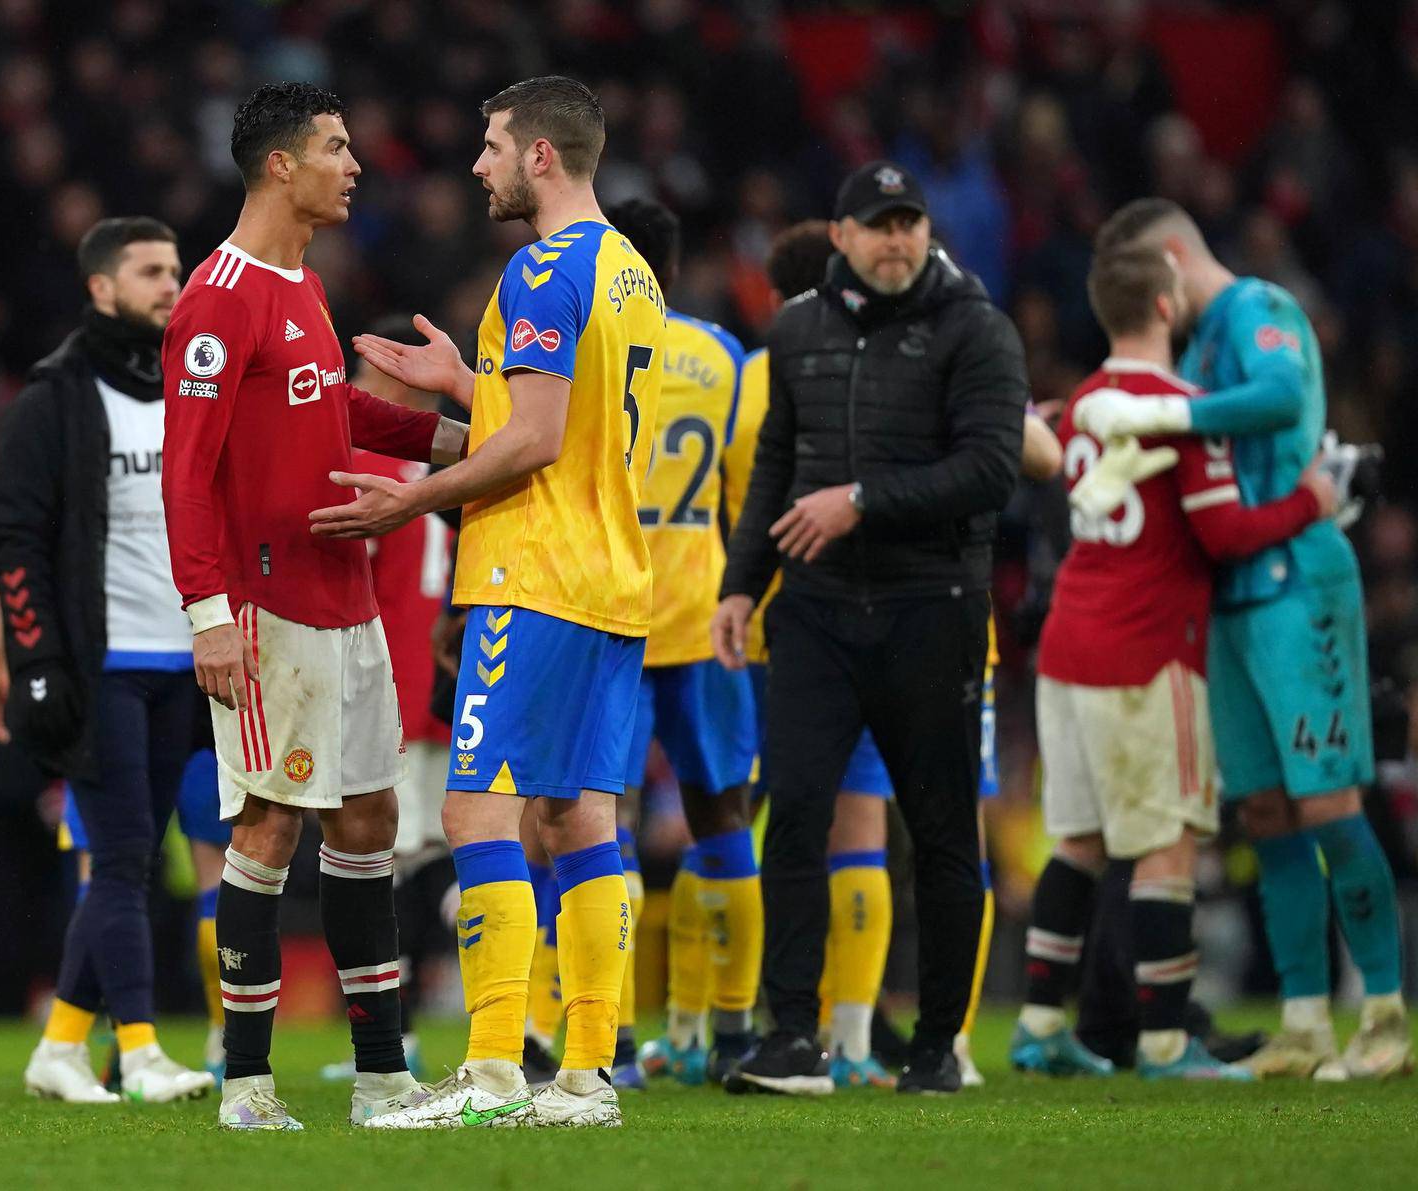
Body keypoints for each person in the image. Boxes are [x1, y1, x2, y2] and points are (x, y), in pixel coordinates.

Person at [310, 75, 666, 1128]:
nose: (479, 165)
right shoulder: (631, 271)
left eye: (492, 146)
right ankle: (589, 1075)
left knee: (475, 809)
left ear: (541, 157)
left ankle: (495, 1066)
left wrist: (409, 500)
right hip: (612, 575)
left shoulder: (542, 268)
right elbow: (573, 419)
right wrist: (470, 384)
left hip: (534, 571)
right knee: (580, 815)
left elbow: (537, 444)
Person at [161, 82, 468, 1131]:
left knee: (371, 816)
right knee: (273, 822)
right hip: (266, 606)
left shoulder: (300, 285)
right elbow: (186, 470)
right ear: (281, 165)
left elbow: (329, 406)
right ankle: (245, 1084)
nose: (355, 164)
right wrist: (206, 611)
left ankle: (382, 1075)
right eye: (336, 148)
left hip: (348, 602)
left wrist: (447, 441)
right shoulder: (221, 294)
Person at [712, 161, 1027, 1096]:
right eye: (878, 225)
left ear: (927, 232)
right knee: (796, 816)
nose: (896, 240)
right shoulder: (798, 328)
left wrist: (859, 501)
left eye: (909, 224)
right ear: (841, 237)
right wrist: (741, 587)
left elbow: (991, 470)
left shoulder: (977, 327)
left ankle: (938, 1045)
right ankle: (795, 1039)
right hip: (814, 611)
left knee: (939, 832)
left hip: (933, 606)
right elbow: (774, 468)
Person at [1078, 199, 1411, 1079]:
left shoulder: (1261, 310)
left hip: (1297, 585)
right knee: (1264, 815)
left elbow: (1278, 398)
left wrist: (1163, 419)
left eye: (1154, 281)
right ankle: (1305, 1020)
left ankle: (1383, 1012)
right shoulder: (1197, 348)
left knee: (1331, 804)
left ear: (1176, 261)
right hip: (1230, 596)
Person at [1016, 244, 1339, 1081]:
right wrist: (1312, 500)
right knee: (1165, 849)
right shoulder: (1185, 408)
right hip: (1145, 651)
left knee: (1078, 843)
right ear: (1167, 308)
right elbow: (1224, 533)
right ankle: (1165, 1041)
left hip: (1067, 645)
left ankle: (1040, 1024)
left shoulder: (1084, 403)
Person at [0, 216, 216, 1105]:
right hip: (102, 664)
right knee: (122, 859)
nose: (172, 284)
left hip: (184, 661)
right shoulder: (56, 397)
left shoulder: (191, 387)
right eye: (151, 271)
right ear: (100, 288)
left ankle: (60, 1046)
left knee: (135, 856)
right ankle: (146, 1048)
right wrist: (34, 658)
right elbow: (15, 541)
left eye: (177, 269)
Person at [595, 197, 759, 1092]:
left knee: (600, 825)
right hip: (705, 614)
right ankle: (731, 1032)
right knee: (722, 814)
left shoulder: (596, 340)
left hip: (613, 610)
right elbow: (746, 491)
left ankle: (612, 1043)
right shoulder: (721, 355)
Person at [0, 589, 231, 1088]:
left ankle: (112, 1038)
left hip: (111, 673)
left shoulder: (79, 511)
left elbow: (15, 559)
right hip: (194, 667)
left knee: (106, 868)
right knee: (212, 872)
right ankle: (224, 1040)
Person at [317, 314, 455, 1085]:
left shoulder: (361, 455)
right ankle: (504, 1006)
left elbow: (339, 566)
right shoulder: (453, 458)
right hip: (452, 680)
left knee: (379, 865)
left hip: (388, 687)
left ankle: (389, 1039)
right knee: (443, 856)